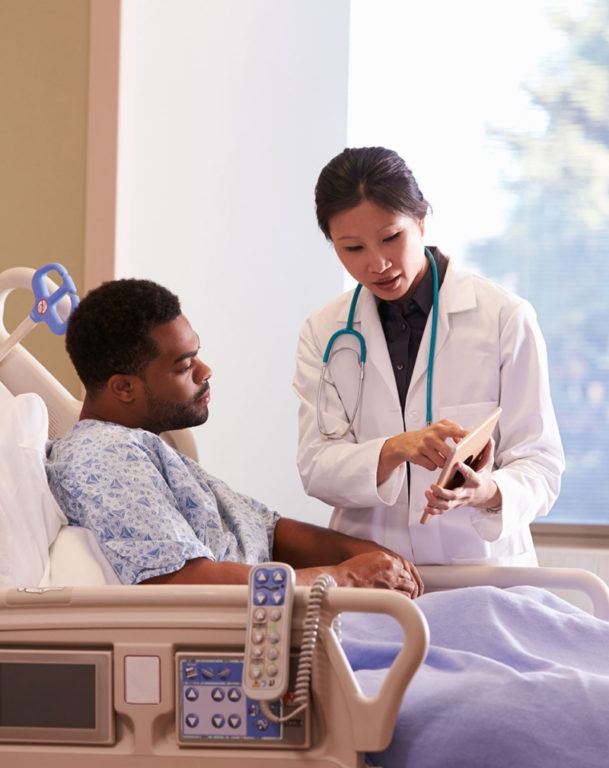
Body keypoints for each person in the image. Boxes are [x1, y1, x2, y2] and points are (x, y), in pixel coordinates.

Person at [45, 277, 422, 596]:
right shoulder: (104, 456)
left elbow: (268, 531)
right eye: (185, 365)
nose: (205, 371)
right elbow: (185, 581)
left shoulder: (147, 449)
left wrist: (370, 554)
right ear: (124, 387)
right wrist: (347, 577)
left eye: (198, 355)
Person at [292, 146, 565, 567]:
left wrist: (488, 492)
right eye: (352, 248)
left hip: (480, 572)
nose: (377, 264)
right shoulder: (324, 331)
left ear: (421, 219)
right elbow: (316, 466)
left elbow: (540, 462)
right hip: (375, 574)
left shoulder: (503, 318)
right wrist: (395, 449)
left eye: (390, 238)